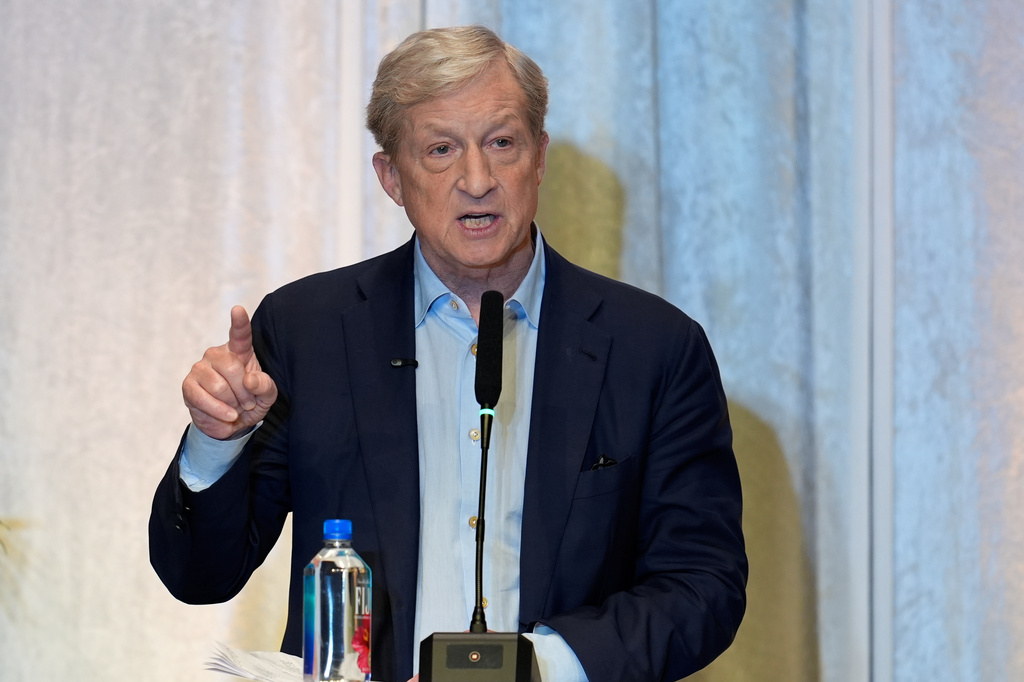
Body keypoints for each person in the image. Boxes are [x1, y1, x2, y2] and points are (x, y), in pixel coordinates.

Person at [150, 25, 746, 682]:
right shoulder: (306, 330)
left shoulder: (654, 348)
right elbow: (199, 576)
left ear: (539, 157)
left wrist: (531, 667)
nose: (477, 180)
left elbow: (702, 587)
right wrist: (218, 443)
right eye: (441, 150)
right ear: (391, 177)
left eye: (502, 143)